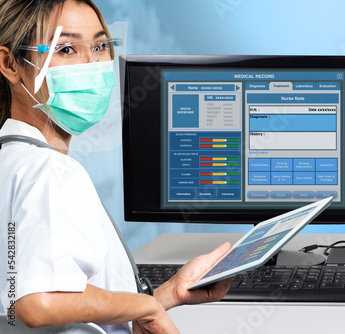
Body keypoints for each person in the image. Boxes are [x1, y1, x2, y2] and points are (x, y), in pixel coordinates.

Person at [0, 1, 232, 333]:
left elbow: (54, 302)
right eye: (66, 49)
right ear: (10, 64)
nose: (91, 64)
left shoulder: (12, 159)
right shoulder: (49, 172)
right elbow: (37, 303)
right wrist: (145, 306)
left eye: (99, 46)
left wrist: (169, 293)